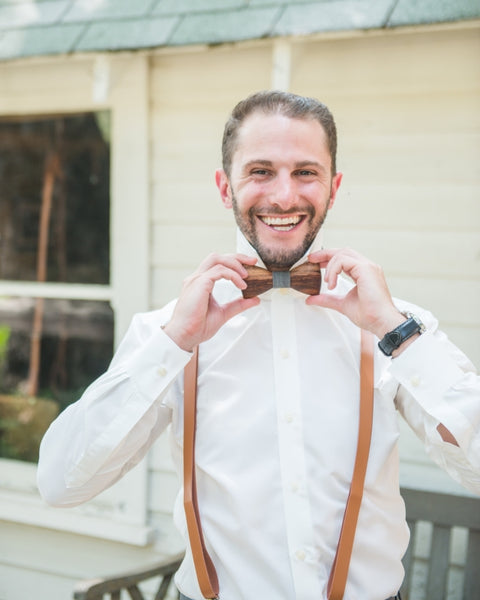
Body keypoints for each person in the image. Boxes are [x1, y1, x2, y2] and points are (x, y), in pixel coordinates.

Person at [37, 91, 480, 600]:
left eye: (306, 172)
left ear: (333, 188)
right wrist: (173, 345)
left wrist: (397, 334)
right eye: (261, 171)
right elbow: (59, 484)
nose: (284, 196)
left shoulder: (398, 328)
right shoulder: (168, 332)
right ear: (226, 187)